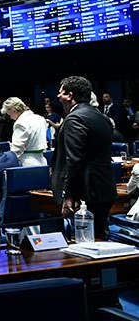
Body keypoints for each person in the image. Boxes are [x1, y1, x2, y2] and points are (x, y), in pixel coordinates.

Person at [52, 75, 116, 239]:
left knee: (85, 242)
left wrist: (69, 195)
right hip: (104, 188)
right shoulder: (101, 116)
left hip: (86, 192)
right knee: (100, 237)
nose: (58, 96)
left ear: (70, 95)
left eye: (60, 92)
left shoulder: (74, 119)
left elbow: (74, 161)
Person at [1, 96, 48, 166]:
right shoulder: (40, 119)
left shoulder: (20, 123)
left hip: (27, 162)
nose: (10, 117)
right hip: (42, 161)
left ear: (14, 110)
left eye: (9, 113)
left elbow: (16, 150)